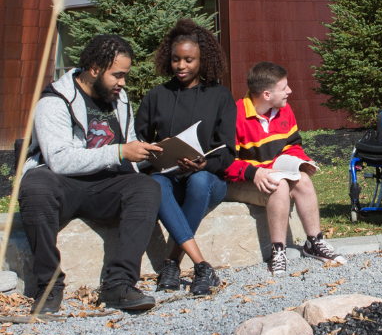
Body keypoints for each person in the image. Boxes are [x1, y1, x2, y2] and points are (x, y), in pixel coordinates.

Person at [18, 35, 163, 314]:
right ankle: (48, 287)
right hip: (62, 184)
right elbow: (58, 160)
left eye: (125, 75)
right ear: (95, 69)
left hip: (104, 185)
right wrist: (120, 152)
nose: (123, 82)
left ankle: (119, 284)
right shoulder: (54, 101)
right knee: (35, 184)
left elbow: (127, 147)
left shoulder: (119, 100)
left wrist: (154, 156)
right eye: (117, 75)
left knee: (147, 187)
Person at [136, 19, 237, 295]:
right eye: (176, 60)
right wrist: (155, 152)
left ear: (203, 60)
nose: (181, 66)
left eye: (189, 60)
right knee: (155, 184)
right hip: (167, 178)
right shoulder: (156, 96)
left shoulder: (220, 96)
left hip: (208, 180)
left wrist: (205, 163)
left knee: (201, 181)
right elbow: (139, 141)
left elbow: (228, 151)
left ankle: (171, 262)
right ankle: (202, 266)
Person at [225, 62, 345, 275]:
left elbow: (293, 145)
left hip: (274, 172)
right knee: (278, 186)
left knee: (304, 181)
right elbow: (225, 163)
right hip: (242, 181)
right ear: (266, 95)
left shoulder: (284, 109)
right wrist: (255, 173)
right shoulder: (234, 115)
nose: (289, 91)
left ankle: (314, 242)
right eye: (284, 87)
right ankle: (278, 251)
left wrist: (301, 162)